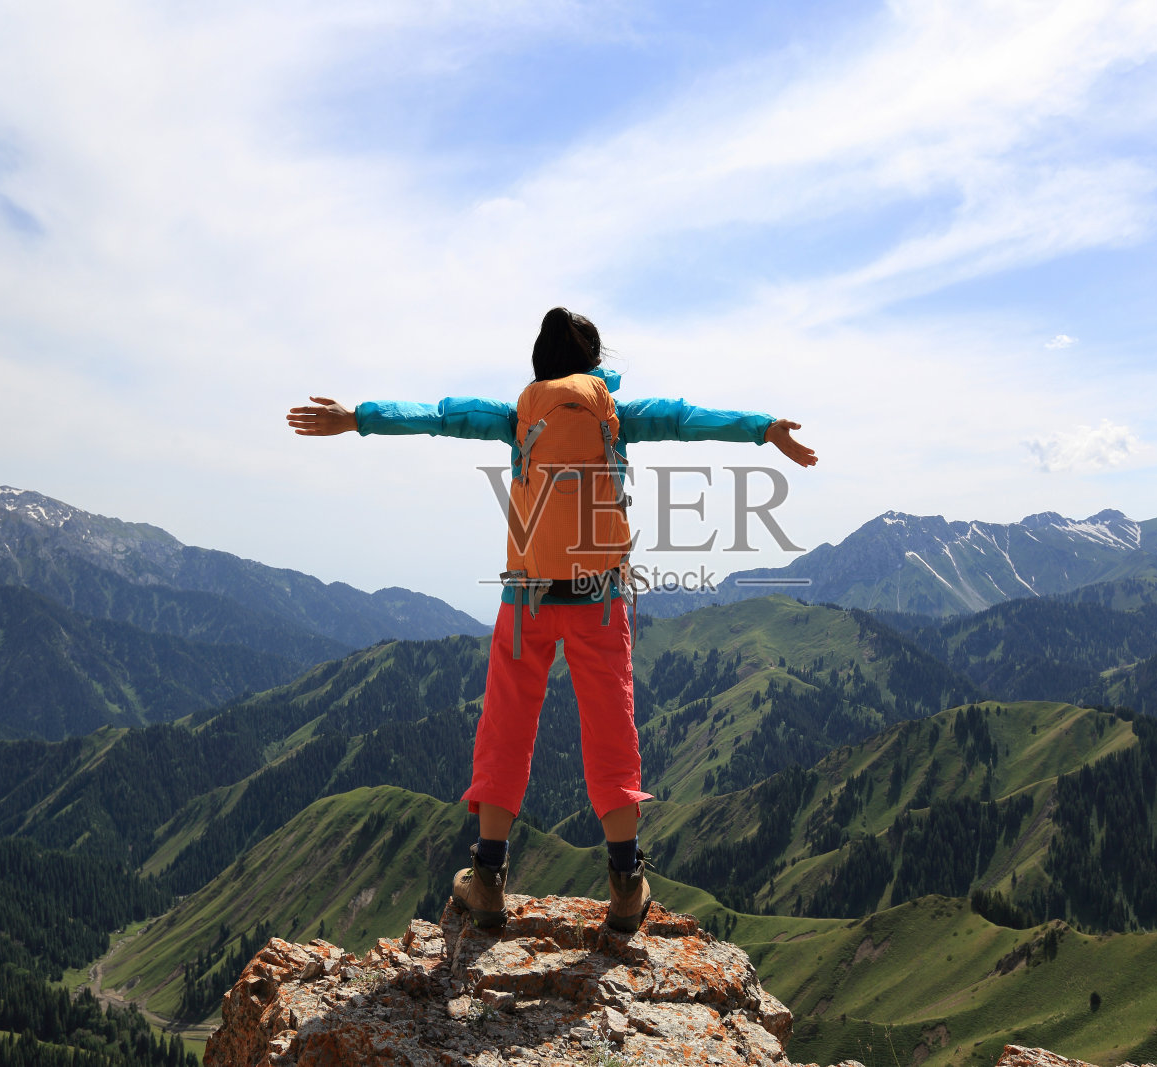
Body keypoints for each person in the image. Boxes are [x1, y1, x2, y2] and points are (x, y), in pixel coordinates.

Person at [286, 307, 817, 933]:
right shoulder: (615, 419)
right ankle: (625, 885)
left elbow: (439, 415)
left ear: (538, 364)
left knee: (506, 726)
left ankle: (486, 879)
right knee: (610, 729)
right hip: (600, 597)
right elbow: (688, 417)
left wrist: (356, 418)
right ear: (596, 366)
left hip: (526, 600)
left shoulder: (518, 420)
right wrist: (764, 430)